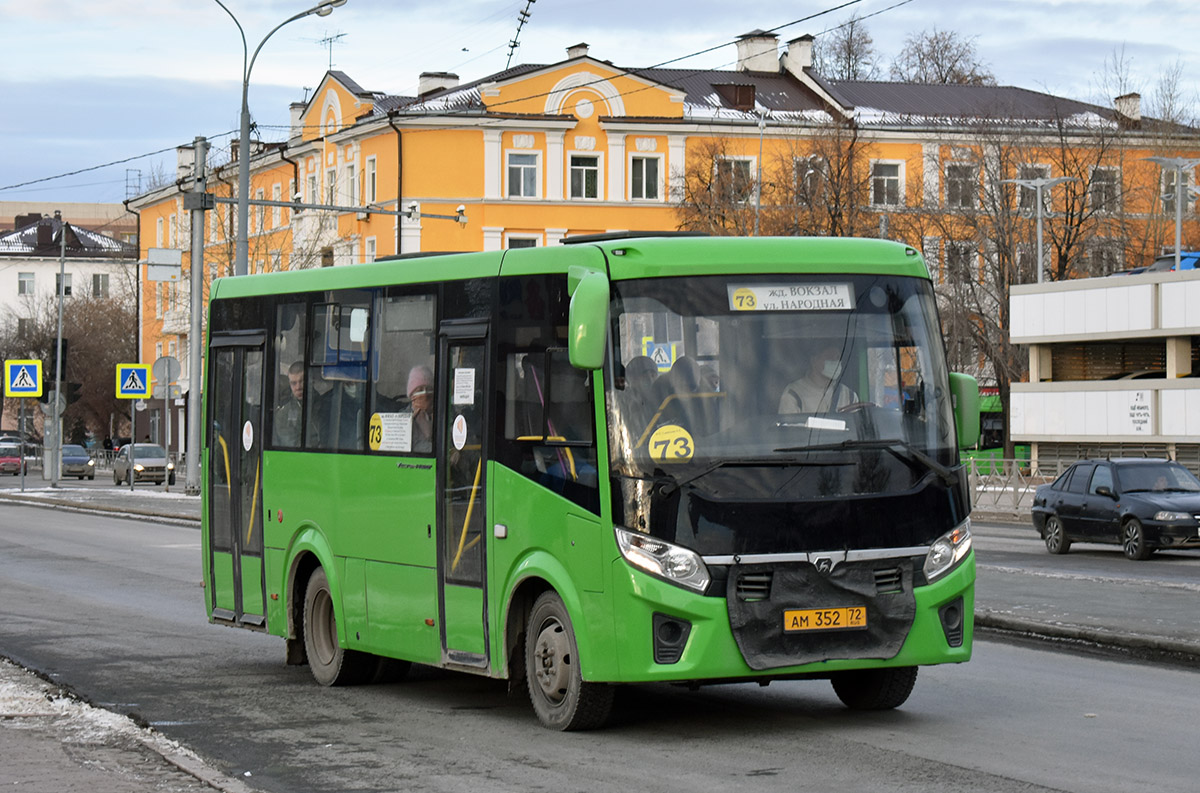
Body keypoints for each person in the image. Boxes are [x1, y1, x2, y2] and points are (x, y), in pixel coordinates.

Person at [779, 341, 857, 414]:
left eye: (838, 358)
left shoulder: (849, 395)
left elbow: (858, 425)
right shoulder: (794, 393)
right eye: (830, 358)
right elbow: (789, 427)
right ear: (814, 360)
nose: (835, 362)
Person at [274, 361, 305, 447]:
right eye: (293, 383)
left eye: (302, 381)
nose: (298, 387)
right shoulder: (283, 414)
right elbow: (291, 445)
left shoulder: (325, 405)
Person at [407, 365, 434, 452]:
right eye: (420, 390)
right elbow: (412, 446)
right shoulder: (405, 417)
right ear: (412, 395)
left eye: (429, 389)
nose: (425, 393)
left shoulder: (443, 413)